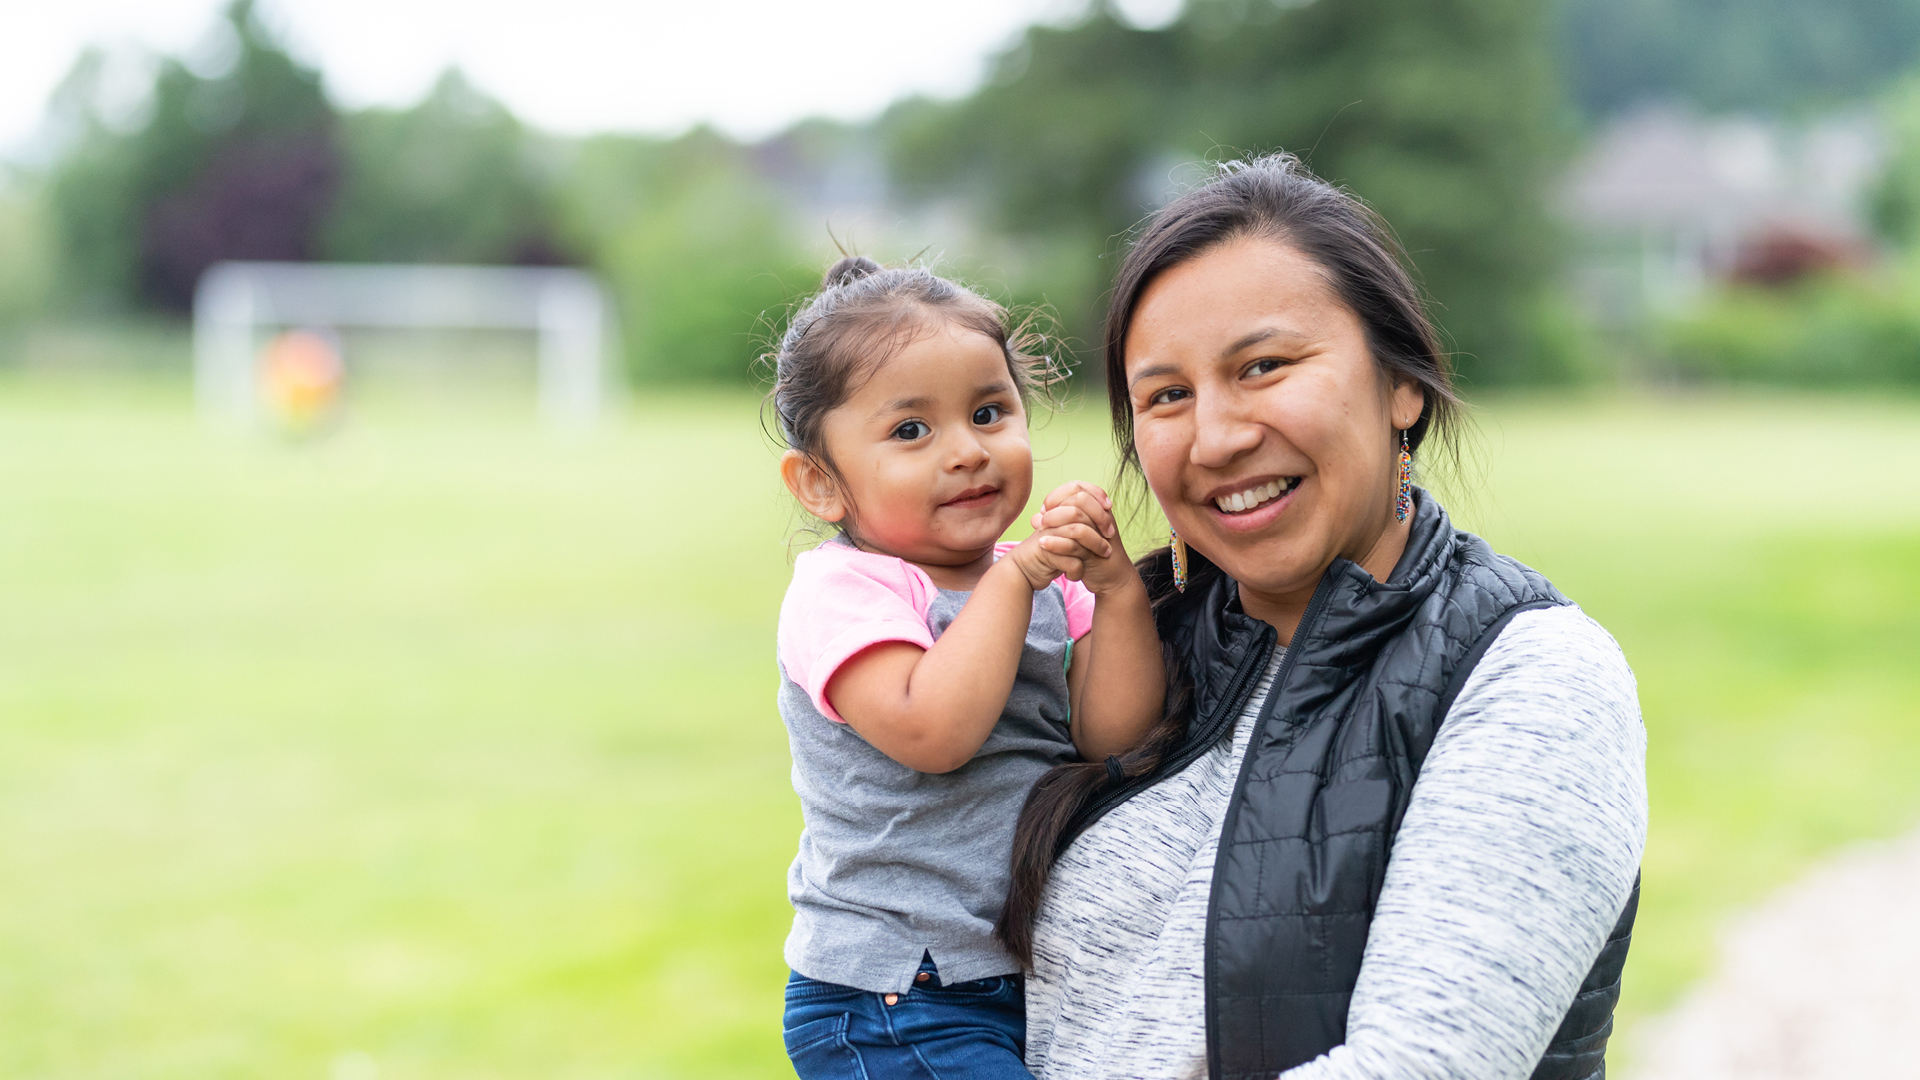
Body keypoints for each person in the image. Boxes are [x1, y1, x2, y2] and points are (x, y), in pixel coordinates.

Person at [1000, 155, 1648, 1080]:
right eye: (1167, 396)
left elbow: (1421, 1065)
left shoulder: (1532, 675)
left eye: (1263, 367)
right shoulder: (1122, 648)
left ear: (1401, 385)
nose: (1216, 437)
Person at [769, 256, 1168, 1078]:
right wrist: (1019, 582)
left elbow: (1111, 737)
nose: (966, 452)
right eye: (911, 431)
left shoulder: (1041, 580)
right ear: (819, 483)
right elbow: (933, 729)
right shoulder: (845, 589)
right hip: (892, 989)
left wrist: (1117, 589)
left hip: (1014, 976)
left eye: (989, 413)